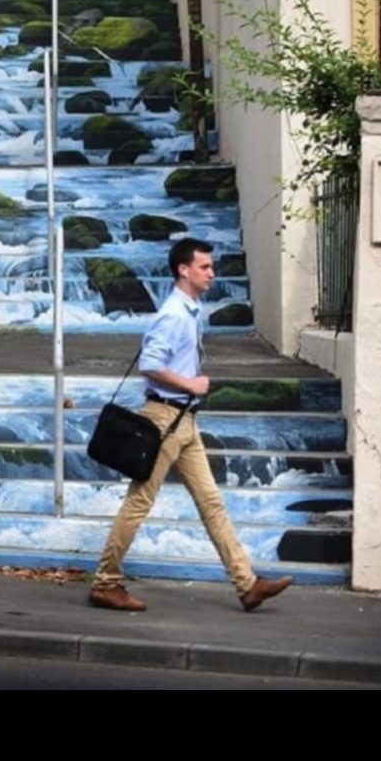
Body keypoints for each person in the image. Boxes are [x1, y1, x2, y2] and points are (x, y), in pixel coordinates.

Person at [89, 237, 293, 613]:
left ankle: (247, 585)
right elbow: (150, 364)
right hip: (165, 418)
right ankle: (105, 583)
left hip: (184, 421)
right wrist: (190, 384)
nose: (212, 273)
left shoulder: (189, 311)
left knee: (212, 503)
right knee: (139, 502)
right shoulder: (173, 314)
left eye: (212, 267)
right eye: (205, 267)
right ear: (184, 270)